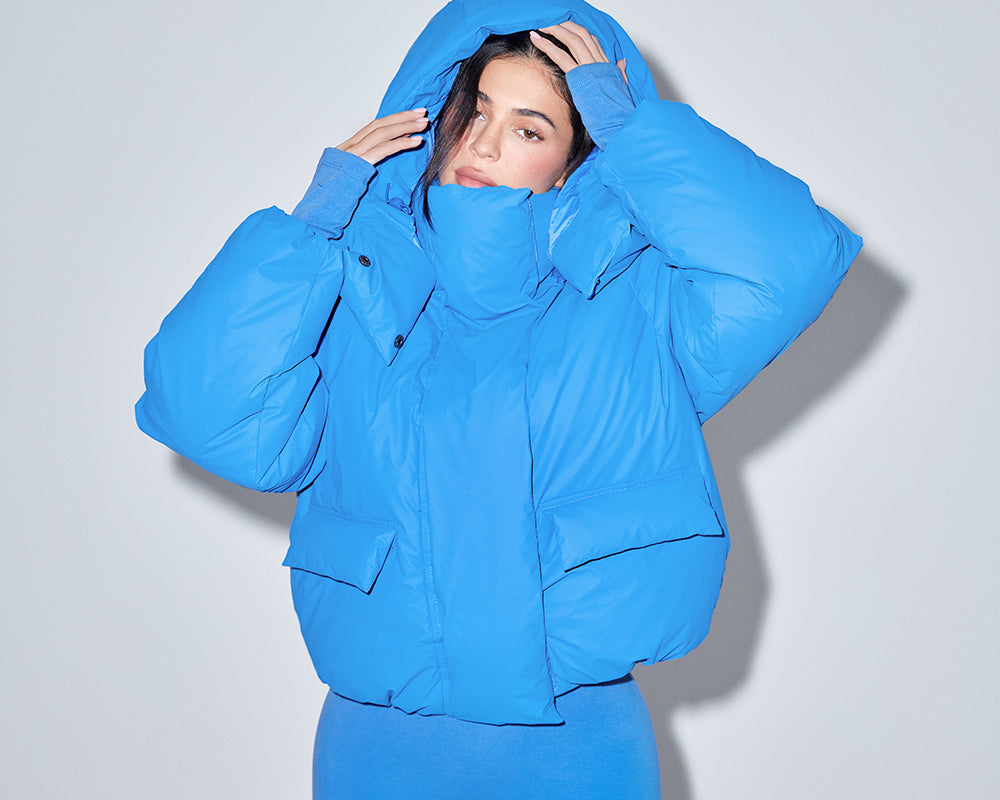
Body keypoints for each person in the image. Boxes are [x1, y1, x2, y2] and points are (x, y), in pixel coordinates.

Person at [135, 0, 862, 796]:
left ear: (574, 162)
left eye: (529, 129)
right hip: (382, 749)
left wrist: (634, 134)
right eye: (477, 111)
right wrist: (307, 231)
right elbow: (200, 410)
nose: (483, 143)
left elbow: (791, 259)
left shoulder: (642, 304)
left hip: (578, 747)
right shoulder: (352, 293)